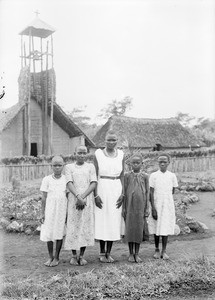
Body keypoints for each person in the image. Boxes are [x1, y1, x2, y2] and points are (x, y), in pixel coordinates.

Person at [94, 130, 124, 263]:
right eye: (109, 140)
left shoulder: (121, 154)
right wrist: (95, 195)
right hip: (102, 186)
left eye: (114, 140)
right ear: (104, 141)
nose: (111, 142)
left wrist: (122, 193)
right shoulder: (98, 154)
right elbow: (94, 176)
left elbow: (122, 174)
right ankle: (101, 252)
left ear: (117, 141)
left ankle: (108, 252)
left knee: (113, 218)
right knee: (102, 219)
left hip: (116, 187)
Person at [64, 145, 97, 266]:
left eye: (84, 153)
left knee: (84, 226)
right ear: (75, 153)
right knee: (74, 226)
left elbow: (93, 183)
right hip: (74, 199)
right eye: (79, 153)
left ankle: (82, 255)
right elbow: (69, 182)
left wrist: (83, 197)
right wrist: (78, 197)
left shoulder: (90, 167)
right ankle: (73, 255)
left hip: (86, 199)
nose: (82, 155)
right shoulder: (69, 167)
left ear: (87, 154)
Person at [148, 153, 178, 260]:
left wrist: (166, 200)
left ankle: (164, 250)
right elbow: (151, 192)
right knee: (157, 227)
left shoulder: (172, 176)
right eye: (160, 161)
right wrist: (153, 208)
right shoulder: (153, 176)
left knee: (165, 226)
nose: (162, 163)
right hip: (156, 203)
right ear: (158, 163)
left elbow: (173, 190)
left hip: (167, 204)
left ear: (168, 163)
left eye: (164, 162)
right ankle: (156, 249)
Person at [40, 155, 67, 267]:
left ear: (63, 166)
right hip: (50, 210)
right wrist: (42, 213)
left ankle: (57, 257)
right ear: (51, 166)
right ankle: (50, 256)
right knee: (49, 233)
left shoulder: (66, 179)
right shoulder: (47, 179)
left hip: (61, 209)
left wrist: (67, 213)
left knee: (59, 232)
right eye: (55, 165)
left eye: (59, 165)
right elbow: (44, 197)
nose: (57, 167)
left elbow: (69, 197)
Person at [123, 153, 149, 263]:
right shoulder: (127, 176)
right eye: (133, 163)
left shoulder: (145, 176)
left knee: (138, 228)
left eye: (138, 163)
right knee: (130, 228)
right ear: (130, 164)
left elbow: (147, 192)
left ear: (142, 164)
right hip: (129, 206)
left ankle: (137, 253)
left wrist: (147, 207)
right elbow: (124, 192)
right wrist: (124, 208)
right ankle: (130, 253)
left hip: (140, 206)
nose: (136, 165)